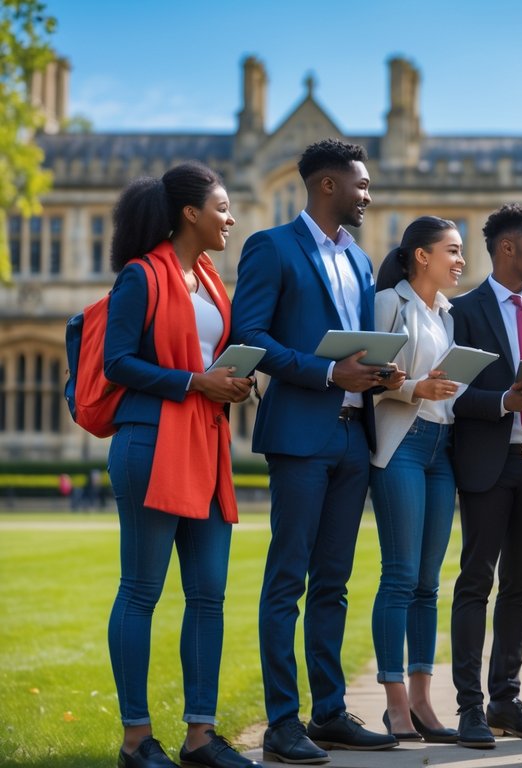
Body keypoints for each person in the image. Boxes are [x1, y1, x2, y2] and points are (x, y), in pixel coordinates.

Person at [233, 139, 404, 764]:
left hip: (351, 437)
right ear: (327, 185)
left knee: (333, 584)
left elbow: (355, 346)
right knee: (288, 580)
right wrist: (330, 375)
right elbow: (247, 336)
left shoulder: (360, 260)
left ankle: (328, 711)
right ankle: (283, 722)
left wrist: (377, 372)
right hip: (301, 433)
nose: (368, 195)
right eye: (361, 185)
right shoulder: (270, 247)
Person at [102, 162, 257, 768]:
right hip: (149, 442)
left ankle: (200, 736)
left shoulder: (212, 283)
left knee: (209, 594)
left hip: (205, 443)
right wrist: (197, 380)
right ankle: (136, 740)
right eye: (222, 208)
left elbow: (210, 361)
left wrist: (229, 382)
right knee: (141, 591)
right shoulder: (140, 277)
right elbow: (117, 364)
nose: (231, 218)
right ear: (190, 213)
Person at [447, 203, 522, 748]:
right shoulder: (463, 311)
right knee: (476, 583)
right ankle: (469, 708)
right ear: (506, 250)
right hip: (487, 465)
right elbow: (448, 392)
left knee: (520, 586)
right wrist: (502, 400)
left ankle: (505, 699)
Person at [367, 216, 467, 744]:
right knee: (401, 575)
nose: (461, 260)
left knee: (429, 583)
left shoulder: (447, 314)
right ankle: (395, 703)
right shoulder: (388, 304)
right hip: (402, 446)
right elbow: (368, 382)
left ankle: (426, 701)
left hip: (441, 448)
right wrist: (414, 390)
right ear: (421, 256)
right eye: (452, 250)